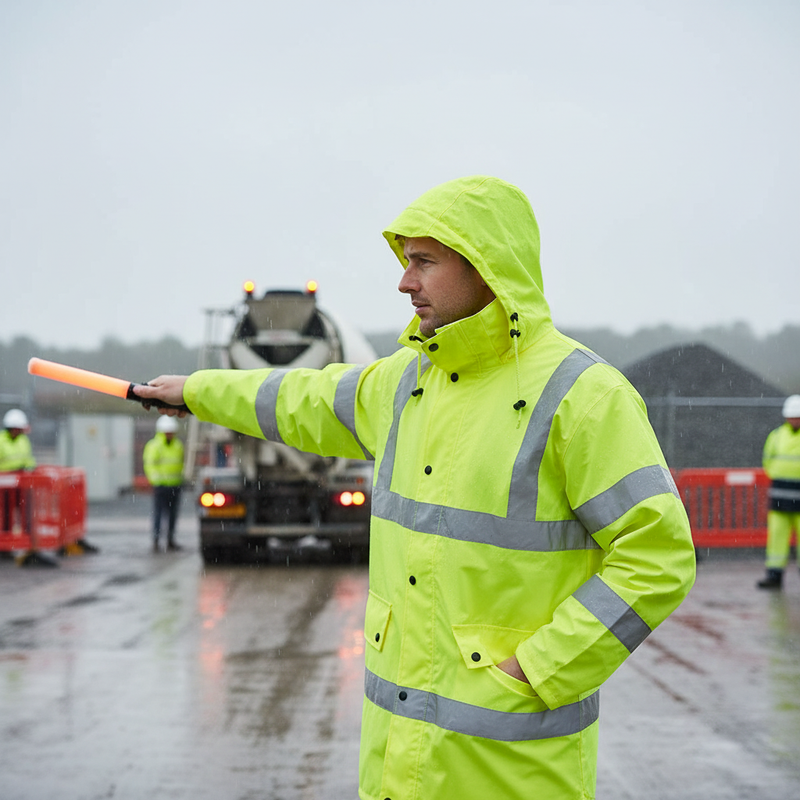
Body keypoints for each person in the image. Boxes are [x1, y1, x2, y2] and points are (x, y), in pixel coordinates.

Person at [135, 176, 696, 800]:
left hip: (514, 775)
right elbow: (299, 397)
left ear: (486, 266)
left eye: (424, 262)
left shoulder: (584, 396)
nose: (405, 282)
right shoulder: (405, 383)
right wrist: (196, 392)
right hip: (397, 772)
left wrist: (539, 669)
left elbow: (657, 557)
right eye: (406, 262)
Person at [757, 394, 800, 589]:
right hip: (780, 498)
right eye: (792, 417)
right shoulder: (776, 436)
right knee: (777, 537)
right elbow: (768, 461)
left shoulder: (777, 436)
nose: (794, 420)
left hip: (785, 495)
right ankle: (774, 575)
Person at [142, 414, 185, 552]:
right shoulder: (154, 446)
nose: (170, 434)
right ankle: (156, 541)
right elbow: (150, 465)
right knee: (159, 515)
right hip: (161, 486)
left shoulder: (178, 445)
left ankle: (170, 540)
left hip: (175, 485)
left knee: (172, 515)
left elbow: (180, 464)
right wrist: (155, 480)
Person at [0, 409, 36, 535]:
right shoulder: (1, 440)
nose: (18, 431)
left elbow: (29, 460)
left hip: (21, 484)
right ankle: (6, 537)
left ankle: (27, 536)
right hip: (4, 486)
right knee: (6, 512)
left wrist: (30, 468)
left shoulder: (23, 440)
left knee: (26, 509)